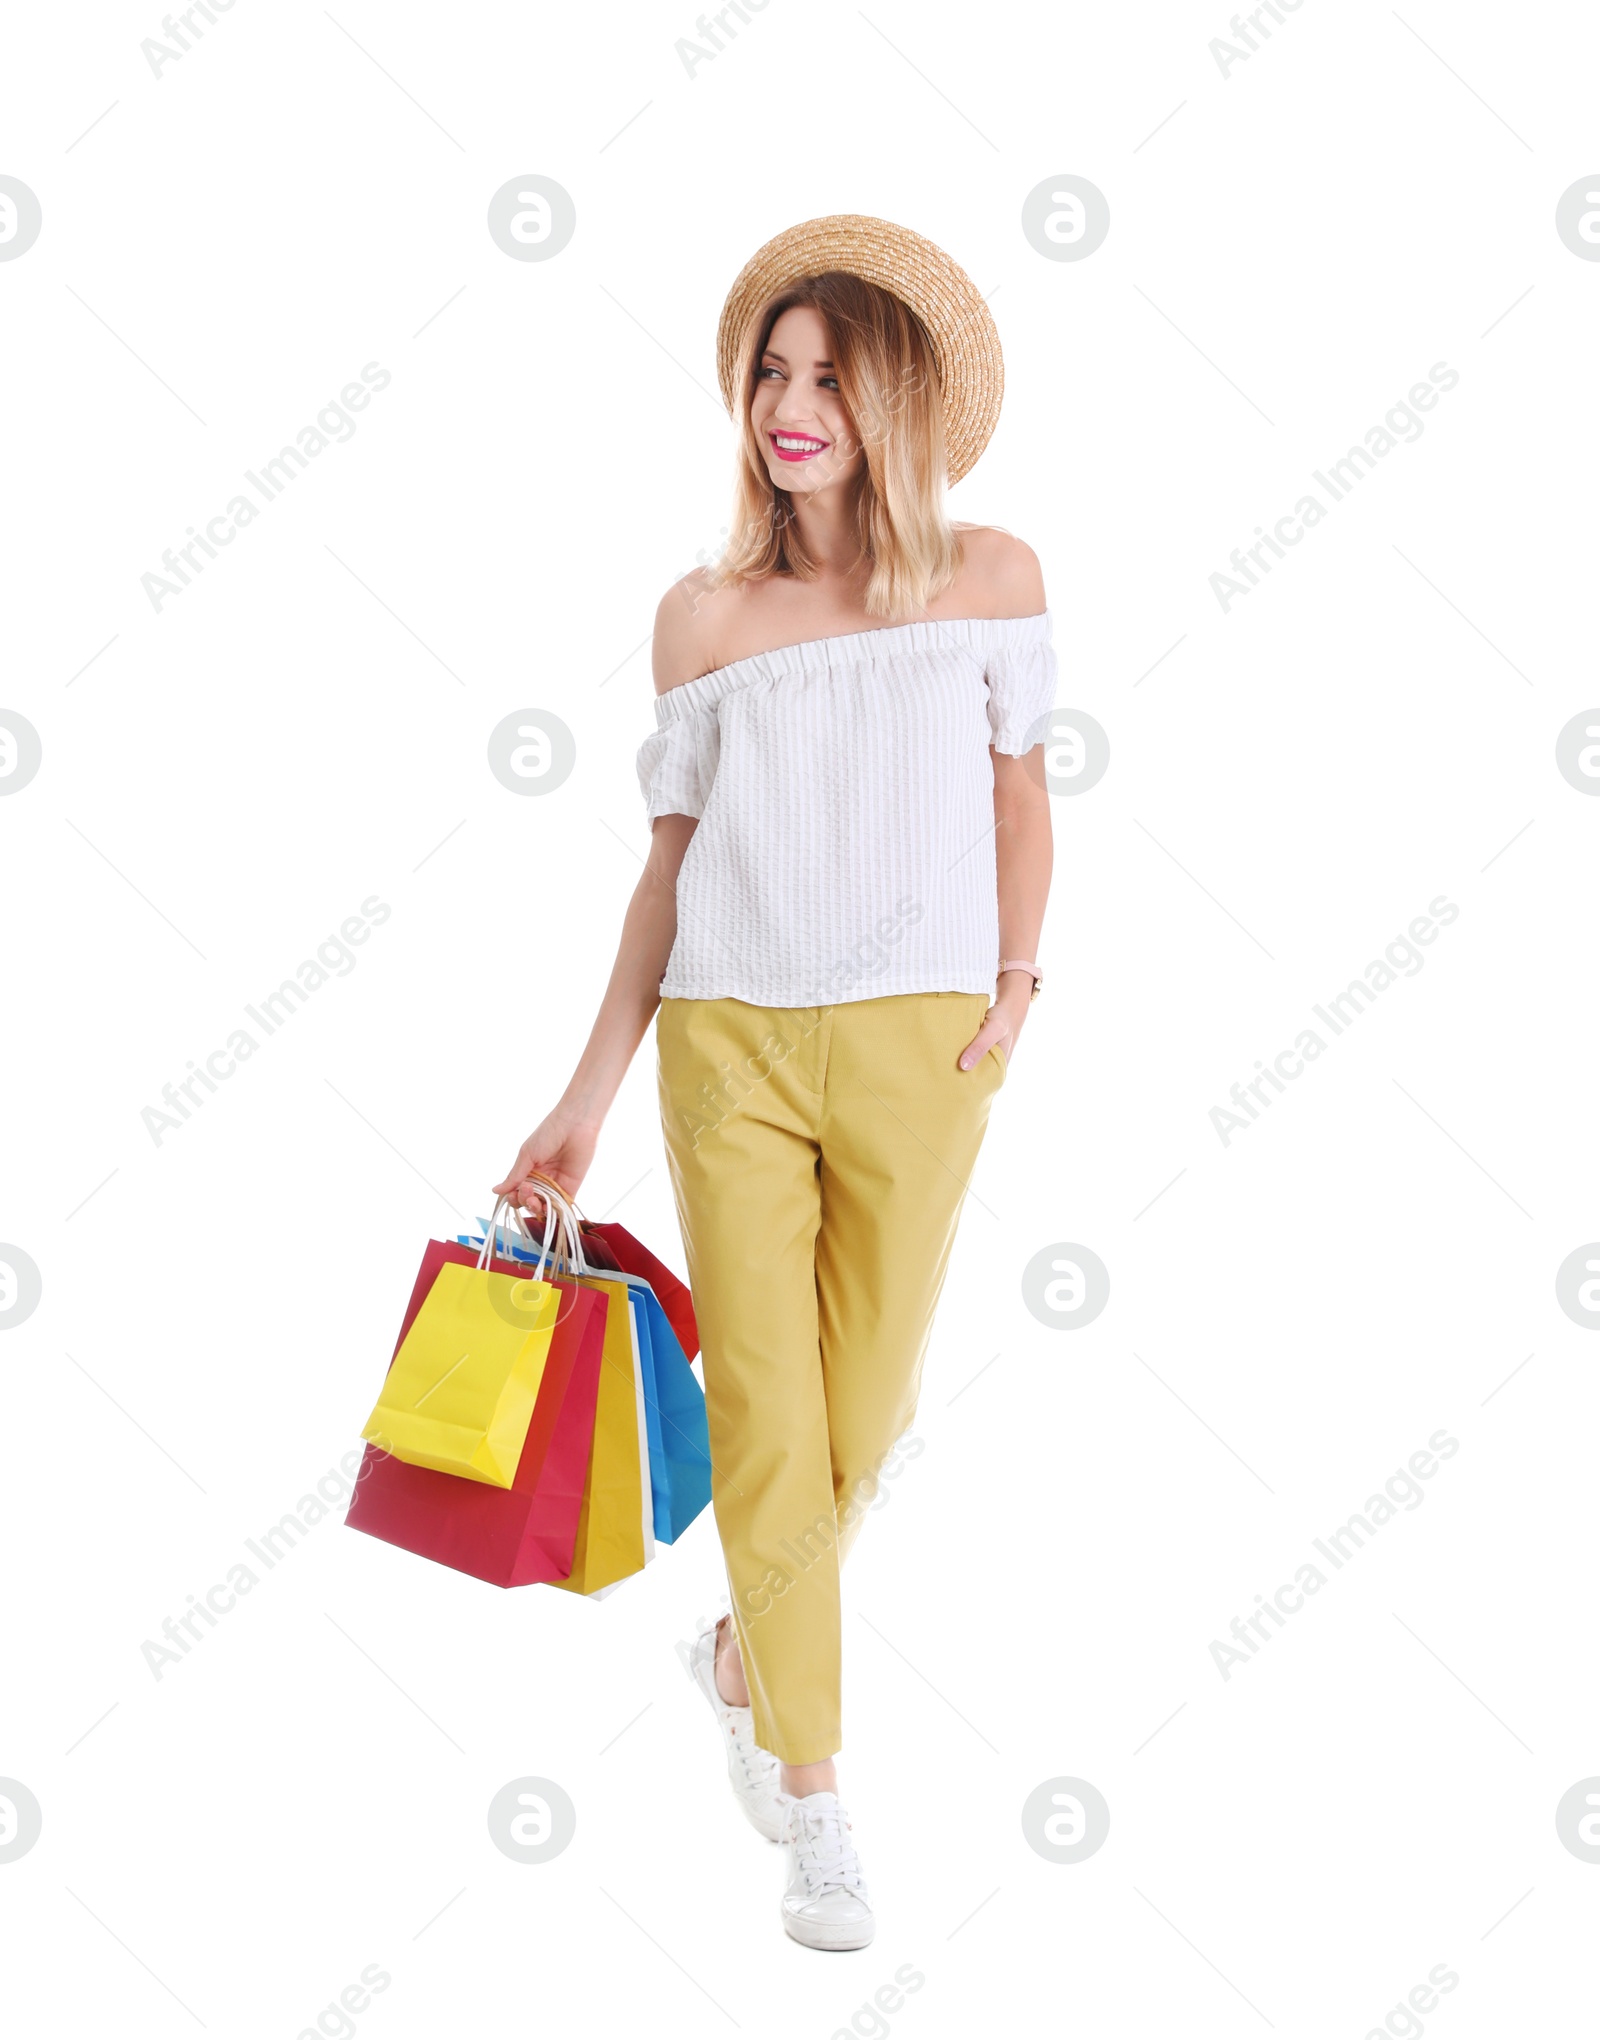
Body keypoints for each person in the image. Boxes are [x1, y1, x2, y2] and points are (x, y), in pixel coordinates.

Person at [497, 214, 1055, 1951]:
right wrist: (585, 1095)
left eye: (827, 375)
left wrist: (1017, 987)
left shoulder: (989, 576)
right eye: (771, 372)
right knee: (765, 1413)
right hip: (729, 1041)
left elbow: (1021, 799)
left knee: (862, 1412)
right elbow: (666, 870)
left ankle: (743, 1644)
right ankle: (813, 1794)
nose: (789, 404)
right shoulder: (703, 615)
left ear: (892, 399)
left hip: (920, 1044)